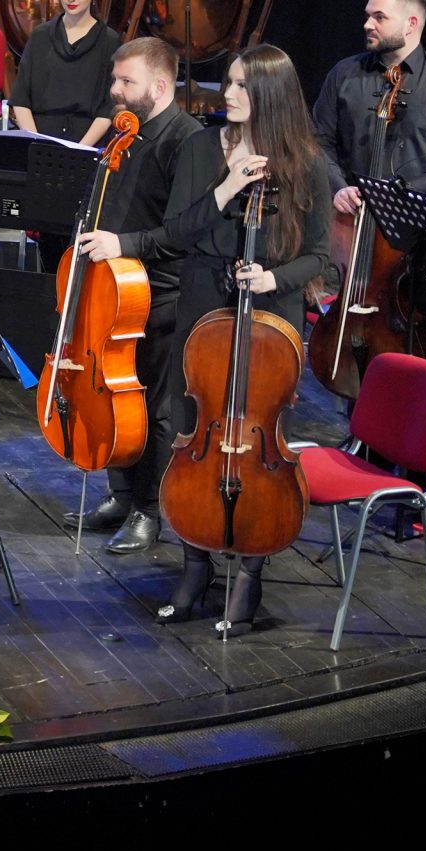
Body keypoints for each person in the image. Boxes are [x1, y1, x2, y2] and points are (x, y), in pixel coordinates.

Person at [144, 44, 333, 634]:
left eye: (241, 86)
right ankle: (195, 565)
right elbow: (176, 231)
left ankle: (250, 574)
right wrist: (226, 189)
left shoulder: (306, 164)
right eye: (227, 83)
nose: (227, 94)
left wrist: (275, 275)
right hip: (203, 305)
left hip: (270, 315)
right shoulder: (204, 147)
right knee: (190, 428)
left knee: (259, 441)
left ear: (270, 96)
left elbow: (321, 257)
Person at [68, 36, 204, 553]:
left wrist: (120, 243)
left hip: (162, 294)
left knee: (151, 407)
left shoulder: (186, 141)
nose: (116, 91)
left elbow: (182, 232)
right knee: (113, 396)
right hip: (118, 290)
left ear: (160, 85)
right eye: (115, 80)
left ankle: (150, 509)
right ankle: (121, 495)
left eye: (127, 82)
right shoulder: (126, 136)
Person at [309, 0, 426, 377]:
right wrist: (339, 188)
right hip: (354, 235)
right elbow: (317, 143)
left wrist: (400, 194)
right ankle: (359, 425)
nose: (367, 24)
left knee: (407, 343)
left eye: (379, 17)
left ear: (411, 23)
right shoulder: (345, 75)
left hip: (418, 243)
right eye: (367, 15)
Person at [9, 0, 121, 145]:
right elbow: (21, 98)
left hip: (88, 142)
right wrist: (37, 142)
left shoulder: (109, 41)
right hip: (40, 139)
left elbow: (108, 107)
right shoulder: (40, 36)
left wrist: (79, 149)